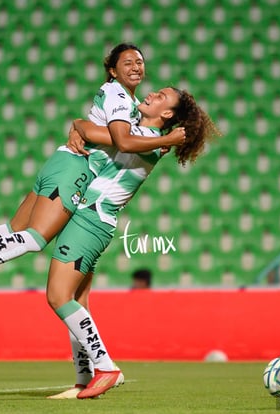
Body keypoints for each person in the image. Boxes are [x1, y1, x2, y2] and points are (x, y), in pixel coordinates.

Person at [0, 43, 184, 313]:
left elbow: (98, 129)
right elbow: (122, 141)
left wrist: (79, 125)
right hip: (77, 167)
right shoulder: (118, 96)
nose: (135, 67)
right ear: (112, 71)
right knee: (36, 237)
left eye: (139, 62)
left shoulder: (132, 105)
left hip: (64, 162)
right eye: (127, 63)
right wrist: (165, 138)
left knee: (13, 228)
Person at [45, 87, 221, 399]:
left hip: (90, 218)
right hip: (93, 221)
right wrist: (77, 124)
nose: (153, 93)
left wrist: (79, 126)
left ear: (166, 115)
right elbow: (87, 128)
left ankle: (106, 367)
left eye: (162, 96)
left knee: (59, 296)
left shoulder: (143, 141)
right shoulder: (145, 137)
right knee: (78, 301)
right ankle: (84, 379)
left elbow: (105, 135)